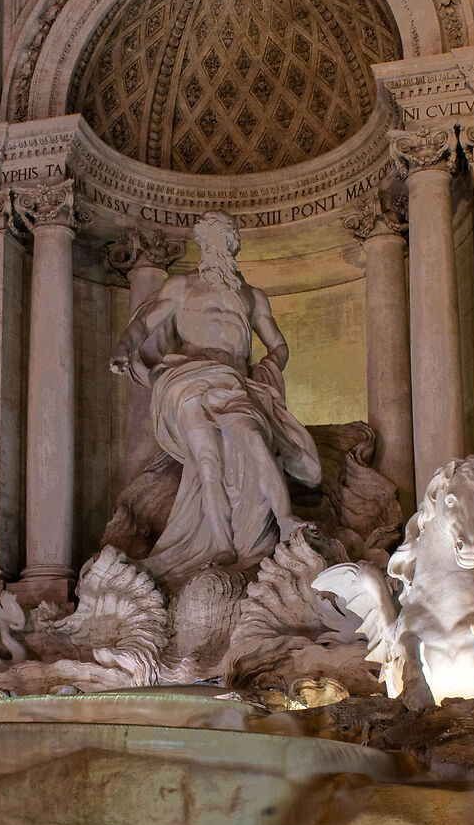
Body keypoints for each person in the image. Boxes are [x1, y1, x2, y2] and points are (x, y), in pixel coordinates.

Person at [109, 210, 322, 580]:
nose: (219, 247)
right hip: (186, 377)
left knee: (254, 438)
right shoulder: (181, 286)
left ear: (233, 245)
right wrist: (122, 349)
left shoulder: (252, 296)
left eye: (225, 240)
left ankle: (286, 520)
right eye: (211, 241)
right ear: (202, 246)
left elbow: (279, 344)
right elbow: (143, 324)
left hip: (233, 380)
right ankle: (223, 544)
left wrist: (269, 366)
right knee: (206, 459)